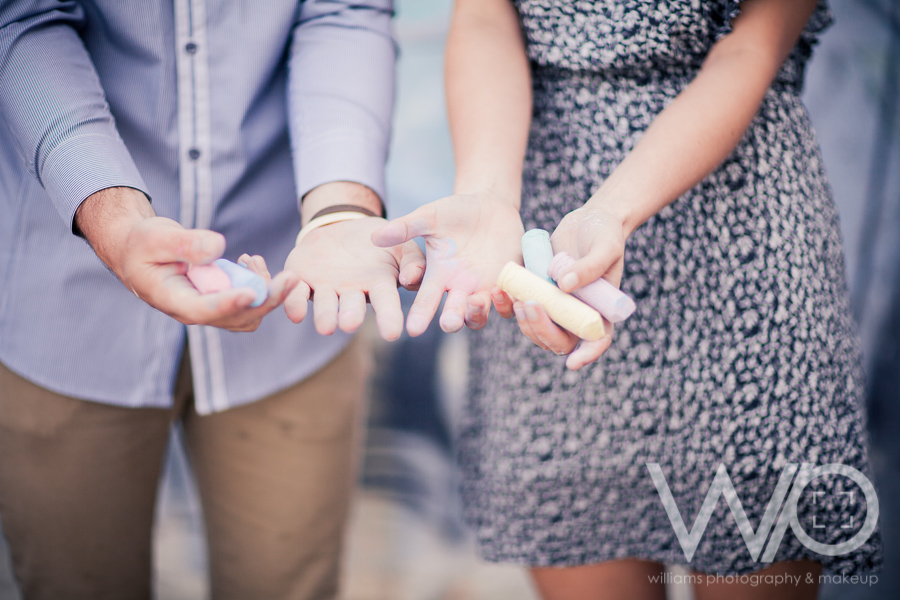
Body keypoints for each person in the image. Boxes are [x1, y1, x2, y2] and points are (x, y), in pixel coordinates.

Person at [371, 0, 882, 598]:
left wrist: (611, 211)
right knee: (581, 540)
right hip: (542, 199)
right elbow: (484, 18)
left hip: (739, 225)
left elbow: (752, 47)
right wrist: (487, 196)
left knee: (753, 542)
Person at [0, 0, 422, 598]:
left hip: (293, 293)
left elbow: (345, 11)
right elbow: (20, 20)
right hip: (64, 305)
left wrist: (340, 211)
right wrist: (112, 216)